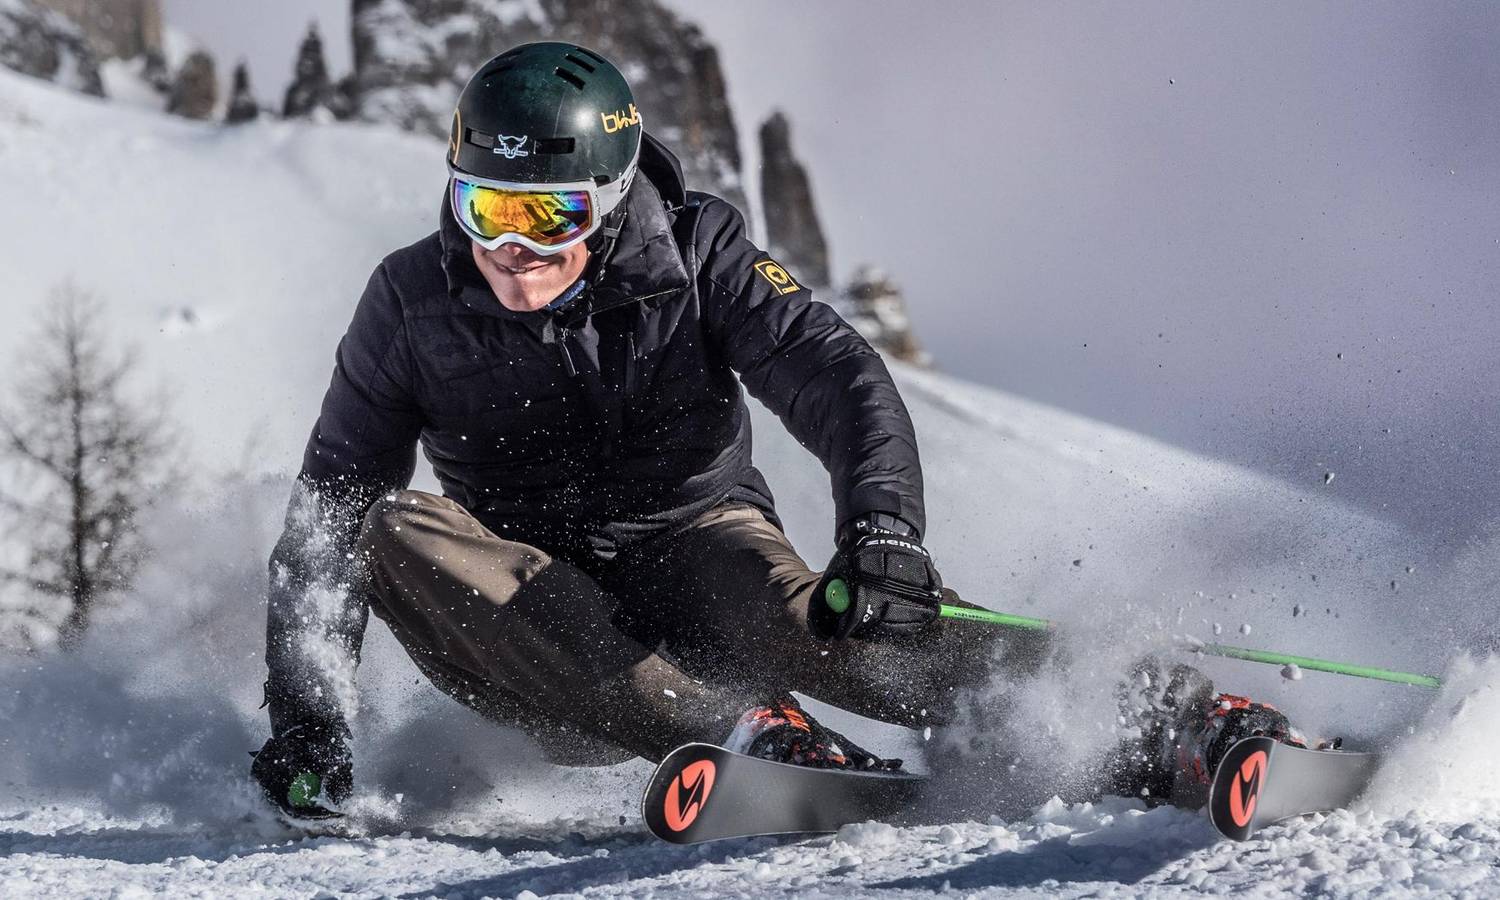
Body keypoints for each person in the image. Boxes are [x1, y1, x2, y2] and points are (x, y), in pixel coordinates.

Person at [250, 41, 1305, 820]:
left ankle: (1169, 724)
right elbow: (326, 513)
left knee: (818, 620)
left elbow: (838, 376)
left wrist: (884, 529)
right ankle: (738, 735)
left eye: (550, 217)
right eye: (488, 210)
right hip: (526, 624)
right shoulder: (407, 301)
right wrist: (307, 720)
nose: (512, 249)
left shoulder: (699, 254)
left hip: (694, 540)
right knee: (382, 523)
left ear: (611, 203)